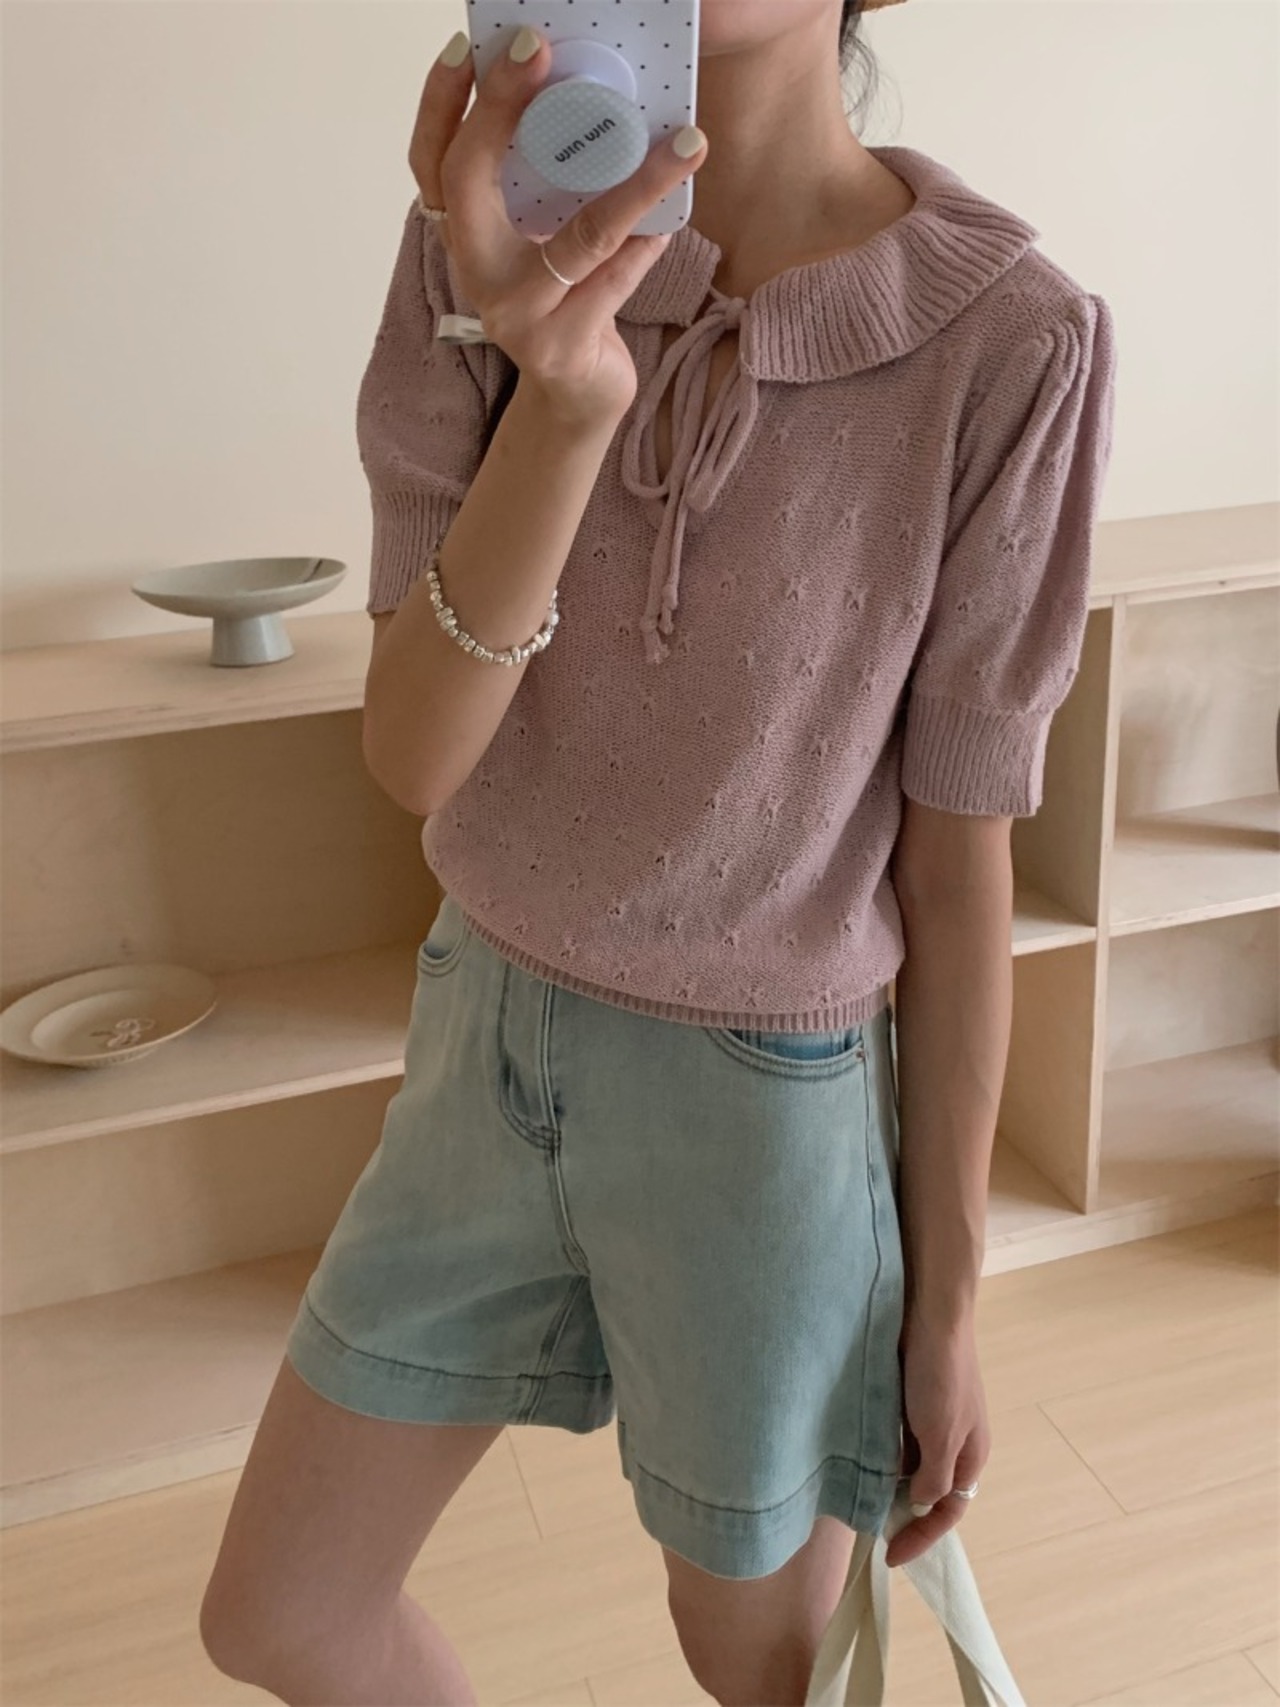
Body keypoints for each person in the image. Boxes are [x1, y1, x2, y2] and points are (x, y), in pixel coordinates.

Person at [201, 1, 1116, 1700]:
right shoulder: (478, 239)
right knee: (280, 1613)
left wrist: (949, 1302)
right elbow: (414, 755)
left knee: (757, 1658)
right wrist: (560, 400)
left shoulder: (1012, 341)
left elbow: (957, 862)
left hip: (766, 1109)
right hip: (482, 1042)